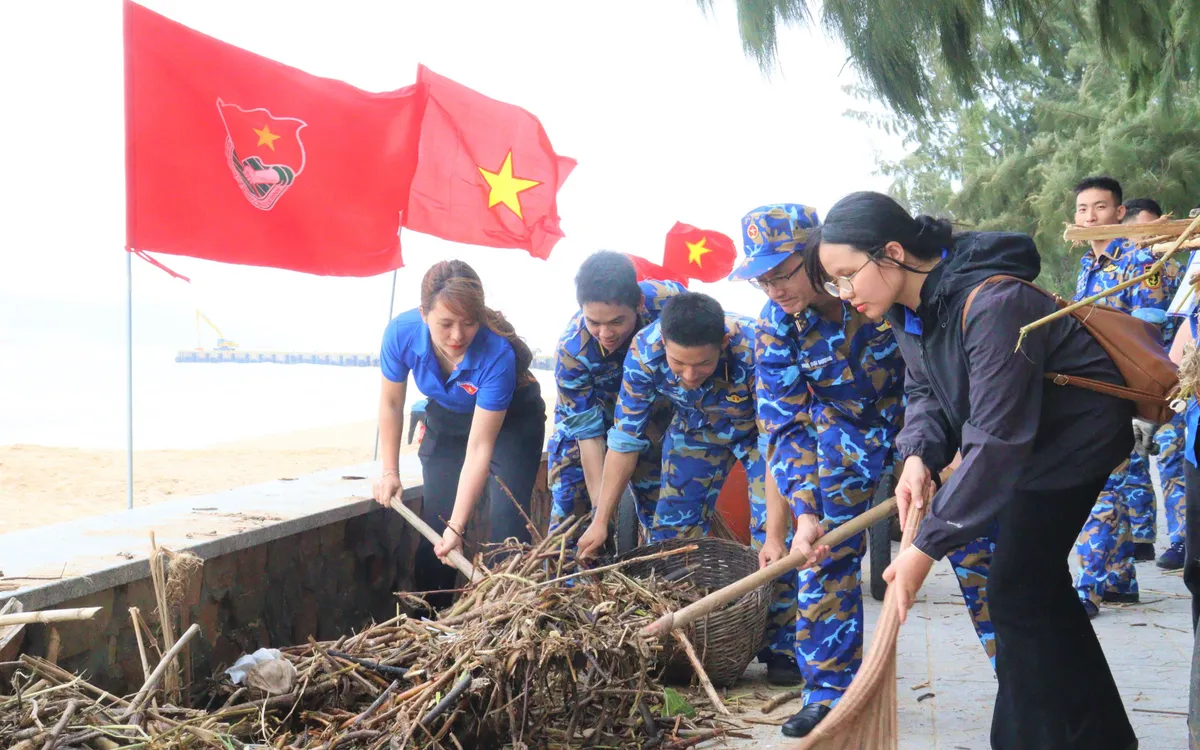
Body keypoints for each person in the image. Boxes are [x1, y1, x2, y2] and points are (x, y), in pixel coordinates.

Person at [813, 190, 1138, 750]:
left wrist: (923, 550)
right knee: (1033, 588)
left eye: (848, 275)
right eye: (834, 282)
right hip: (1028, 443)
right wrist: (918, 455)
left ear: (892, 252)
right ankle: (1100, 737)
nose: (844, 294)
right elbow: (926, 391)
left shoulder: (994, 301)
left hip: (1072, 441)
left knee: (1014, 589)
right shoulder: (905, 309)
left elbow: (996, 440)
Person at [737, 203, 996, 737]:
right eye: (760, 282)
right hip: (843, 433)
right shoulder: (775, 326)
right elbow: (784, 424)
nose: (774, 291)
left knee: (976, 543)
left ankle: (1019, 675)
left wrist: (945, 452)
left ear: (815, 255)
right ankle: (829, 693)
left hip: (930, 424)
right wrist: (803, 512)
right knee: (824, 553)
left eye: (782, 274)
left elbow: (946, 368)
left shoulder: (884, 285)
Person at [576, 292, 802, 684]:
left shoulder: (757, 347)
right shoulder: (644, 353)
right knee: (672, 536)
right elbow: (625, 440)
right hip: (695, 432)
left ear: (724, 344)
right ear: (663, 342)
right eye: (678, 363)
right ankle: (683, 636)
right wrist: (601, 520)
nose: (690, 375)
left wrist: (777, 533)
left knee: (773, 538)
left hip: (759, 437)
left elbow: (776, 444)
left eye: (702, 364)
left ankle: (781, 645)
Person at [372, 260, 546, 610]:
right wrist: (390, 472)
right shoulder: (401, 334)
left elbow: (481, 447)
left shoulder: (497, 353)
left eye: (469, 323)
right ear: (424, 314)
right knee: (435, 519)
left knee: (506, 524)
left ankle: (505, 615)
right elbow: (392, 404)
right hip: (449, 416)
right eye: (445, 324)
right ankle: (431, 619)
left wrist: (459, 525)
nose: (457, 336)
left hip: (512, 420)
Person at [1073, 176, 1182, 616]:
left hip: (1124, 388)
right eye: (1082, 209)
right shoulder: (1087, 265)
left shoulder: (1142, 260)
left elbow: (1150, 330)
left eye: (1099, 208)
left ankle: (1086, 589)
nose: (1090, 217)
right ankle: (1119, 579)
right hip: (1091, 388)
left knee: (1098, 485)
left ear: (1120, 213)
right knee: (1112, 480)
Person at [547, 251, 684, 543]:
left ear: (639, 304)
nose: (605, 333)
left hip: (649, 418)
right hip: (587, 425)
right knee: (572, 516)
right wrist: (601, 516)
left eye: (616, 321)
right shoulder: (571, 351)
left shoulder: (669, 303)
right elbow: (589, 436)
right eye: (594, 322)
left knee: (664, 512)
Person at [1119, 196, 1188, 568]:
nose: (1147, 239)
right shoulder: (1114, 265)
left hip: (1169, 377)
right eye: (1141, 232)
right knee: (1135, 457)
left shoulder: (1156, 265)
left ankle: (1182, 540)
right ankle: (1142, 535)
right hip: (1132, 378)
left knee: (1171, 458)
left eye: (1153, 230)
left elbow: (1149, 321)